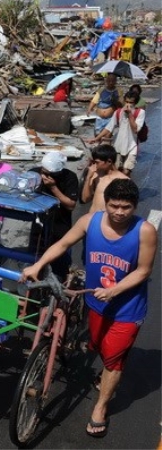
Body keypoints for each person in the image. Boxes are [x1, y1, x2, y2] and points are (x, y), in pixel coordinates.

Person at [21, 179, 157, 438]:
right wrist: (38, 265)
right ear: (105, 203)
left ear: (135, 206)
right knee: (98, 345)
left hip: (127, 310)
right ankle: (105, 374)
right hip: (95, 302)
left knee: (114, 361)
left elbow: (144, 270)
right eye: (114, 205)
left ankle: (101, 407)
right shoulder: (89, 222)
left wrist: (115, 290)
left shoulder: (145, 231)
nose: (119, 212)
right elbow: (62, 244)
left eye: (126, 207)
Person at [29, 152, 79, 278]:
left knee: (59, 259)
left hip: (60, 225)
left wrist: (53, 188)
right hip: (39, 224)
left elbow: (71, 205)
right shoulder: (35, 173)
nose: (44, 175)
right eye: (43, 171)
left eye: (48, 173)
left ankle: (59, 284)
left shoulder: (70, 177)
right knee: (35, 255)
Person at [88, 90, 146, 176]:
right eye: (126, 101)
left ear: (135, 103)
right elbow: (109, 127)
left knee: (126, 172)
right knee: (116, 170)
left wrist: (130, 114)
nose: (128, 104)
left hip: (132, 146)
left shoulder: (140, 113)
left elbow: (135, 130)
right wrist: (96, 138)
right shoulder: (118, 112)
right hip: (118, 146)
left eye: (131, 102)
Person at [81, 144, 129, 213]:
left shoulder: (123, 180)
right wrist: (88, 178)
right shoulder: (95, 175)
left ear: (109, 161)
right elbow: (85, 199)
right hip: (92, 217)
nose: (94, 165)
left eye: (96, 162)